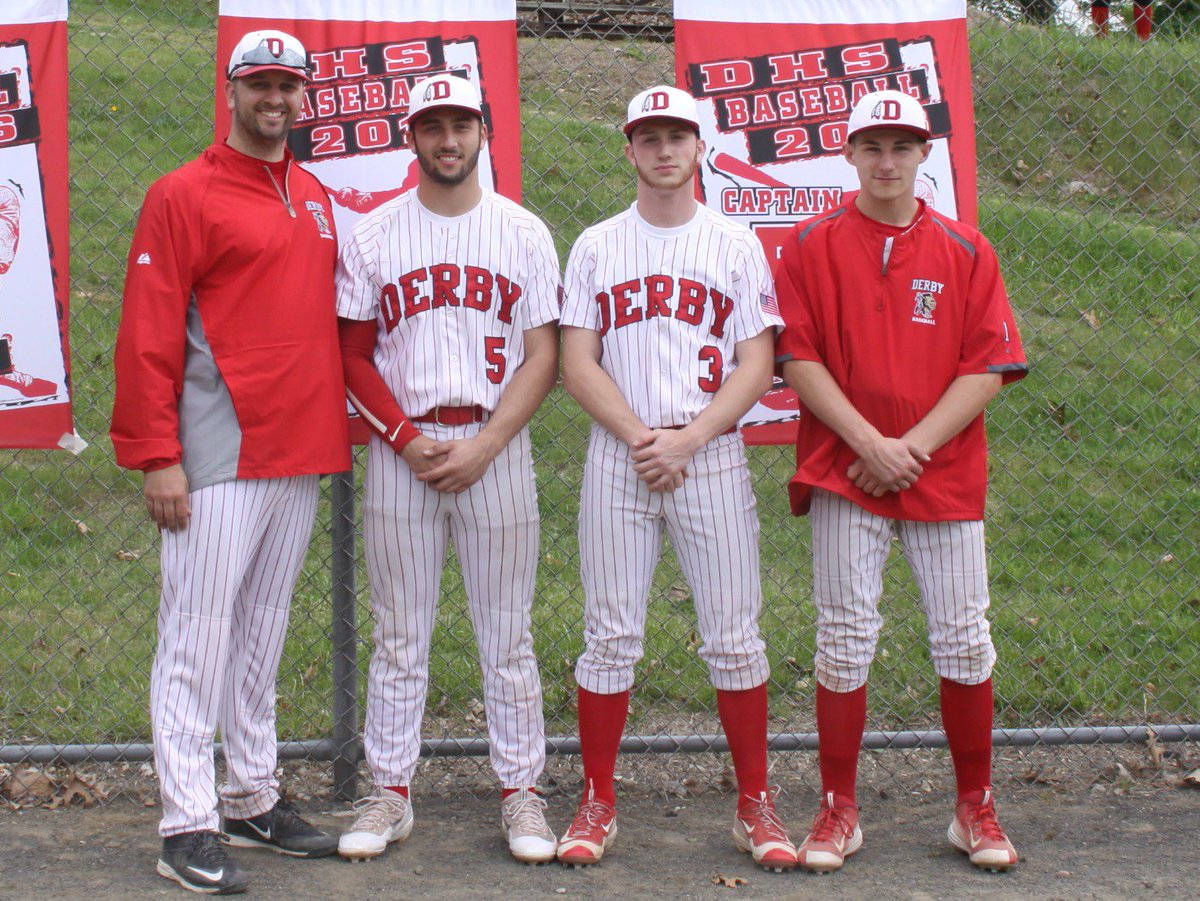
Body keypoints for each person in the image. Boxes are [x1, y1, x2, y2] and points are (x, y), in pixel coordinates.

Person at [111, 29, 349, 894]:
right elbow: (147, 331)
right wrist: (155, 455)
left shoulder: (315, 192)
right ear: (233, 90)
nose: (274, 99)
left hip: (300, 449)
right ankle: (186, 820)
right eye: (260, 85)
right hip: (217, 452)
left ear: (302, 94)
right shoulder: (182, 193)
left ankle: (252, 794)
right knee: (195, 640)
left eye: (288, 85)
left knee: (260, 635)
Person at [773, 89, 1028, 874]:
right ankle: (838, 807)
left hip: (940, 469)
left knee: (963, 632)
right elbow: (795, 357)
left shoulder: (965, 248)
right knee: (845, 636)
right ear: (849, 153)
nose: (888, 161)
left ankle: (973, 806)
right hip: (846, 468)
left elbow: (988, 365)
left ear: (925, 156)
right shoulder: (809, 244)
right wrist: (867, 443)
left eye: (903, 147)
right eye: (873, 147)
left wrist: (906, 447)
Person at [557, 85, 795, 872]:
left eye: (677, 136)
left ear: (701, 149)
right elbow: (574, 358)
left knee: (734, 636)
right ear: (628, 150)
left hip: (711, 454)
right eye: (649, 137)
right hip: (621, 457)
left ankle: (754, 801)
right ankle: (597, 797)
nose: (664, 150)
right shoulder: (596, 243)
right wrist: (639, 436)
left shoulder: (734, 242)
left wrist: (688, 437)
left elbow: (758, 363)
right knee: (610, 634)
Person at [333, 73, 561, 865]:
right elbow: (354, 353)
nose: (448, 139)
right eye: (433, 125)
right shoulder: (372, 235)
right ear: (413, 137)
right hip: (405, 451)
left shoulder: (524, 232)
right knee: (400, 633)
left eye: (461, 123)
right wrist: (401, 435)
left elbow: (544, 353)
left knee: (508, 634)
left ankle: (521, 789)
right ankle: (389, 789)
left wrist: (491, 442)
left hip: (494, 446)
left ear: (484, 132)